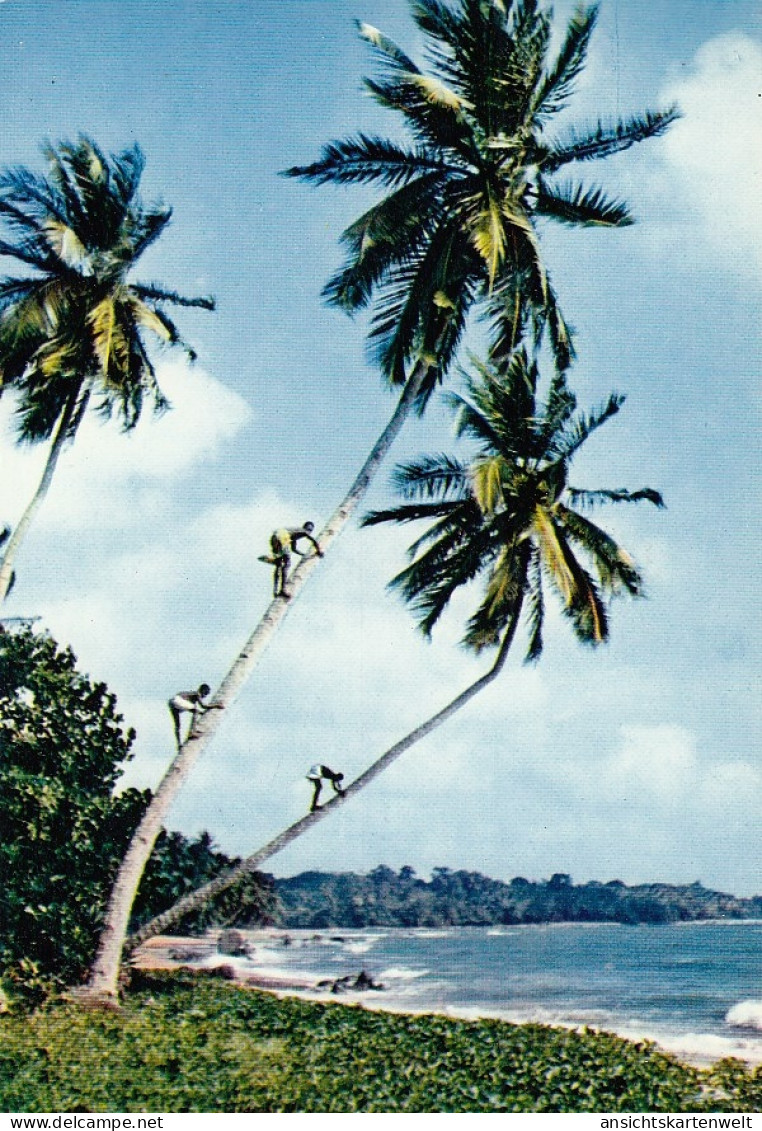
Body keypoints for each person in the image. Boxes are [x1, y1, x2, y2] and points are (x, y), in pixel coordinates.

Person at [261, 522, 323, 598]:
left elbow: (294, 549)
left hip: (275, 538)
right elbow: (313, 540)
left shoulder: (294, 534)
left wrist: (303, 555)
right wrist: (319, 551)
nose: (310, 532)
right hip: (282, 537)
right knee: (287, 564)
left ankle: (275, 590)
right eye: (310, 529)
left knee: (279, 564)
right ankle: (282, 590)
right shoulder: (303, 531)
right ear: (308, 528)